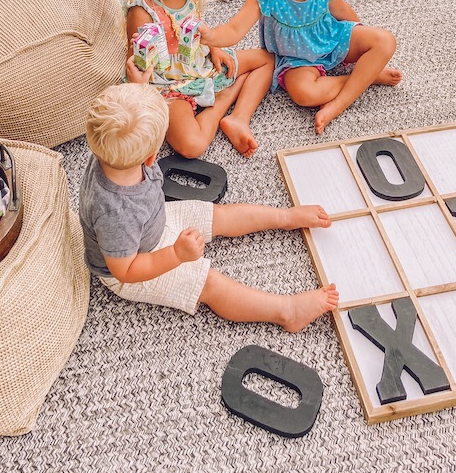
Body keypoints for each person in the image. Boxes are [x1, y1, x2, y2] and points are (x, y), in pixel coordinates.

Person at [80, 82, 339, 331]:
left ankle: (285, 218)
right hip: (136, 264)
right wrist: (176, 255)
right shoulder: (115, 214)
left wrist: (140, 88)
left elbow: (124, 119)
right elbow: (126, 271)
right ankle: (286, 311)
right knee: (210, 283)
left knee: (219, 215)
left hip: (154, 220)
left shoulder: (109, 144)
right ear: (151, 158)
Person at [199, 0, 401, 135]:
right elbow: (234, 29)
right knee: (305, 94)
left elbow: (340, 9)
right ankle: (364, 79)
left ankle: (343, 97)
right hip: (296, 59)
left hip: (332, 38)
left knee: (384, 41)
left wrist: (364, 41)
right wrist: (211, 37)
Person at [126, 0, 273, 159]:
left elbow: (194, 24)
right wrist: (140, 89)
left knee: (267, 59)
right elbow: (136, 65)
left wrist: (213, 47)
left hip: (199, 62)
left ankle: (238, 118)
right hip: (169, 84)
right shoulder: (141, 11)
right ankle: (219, 108)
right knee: (192, 146)